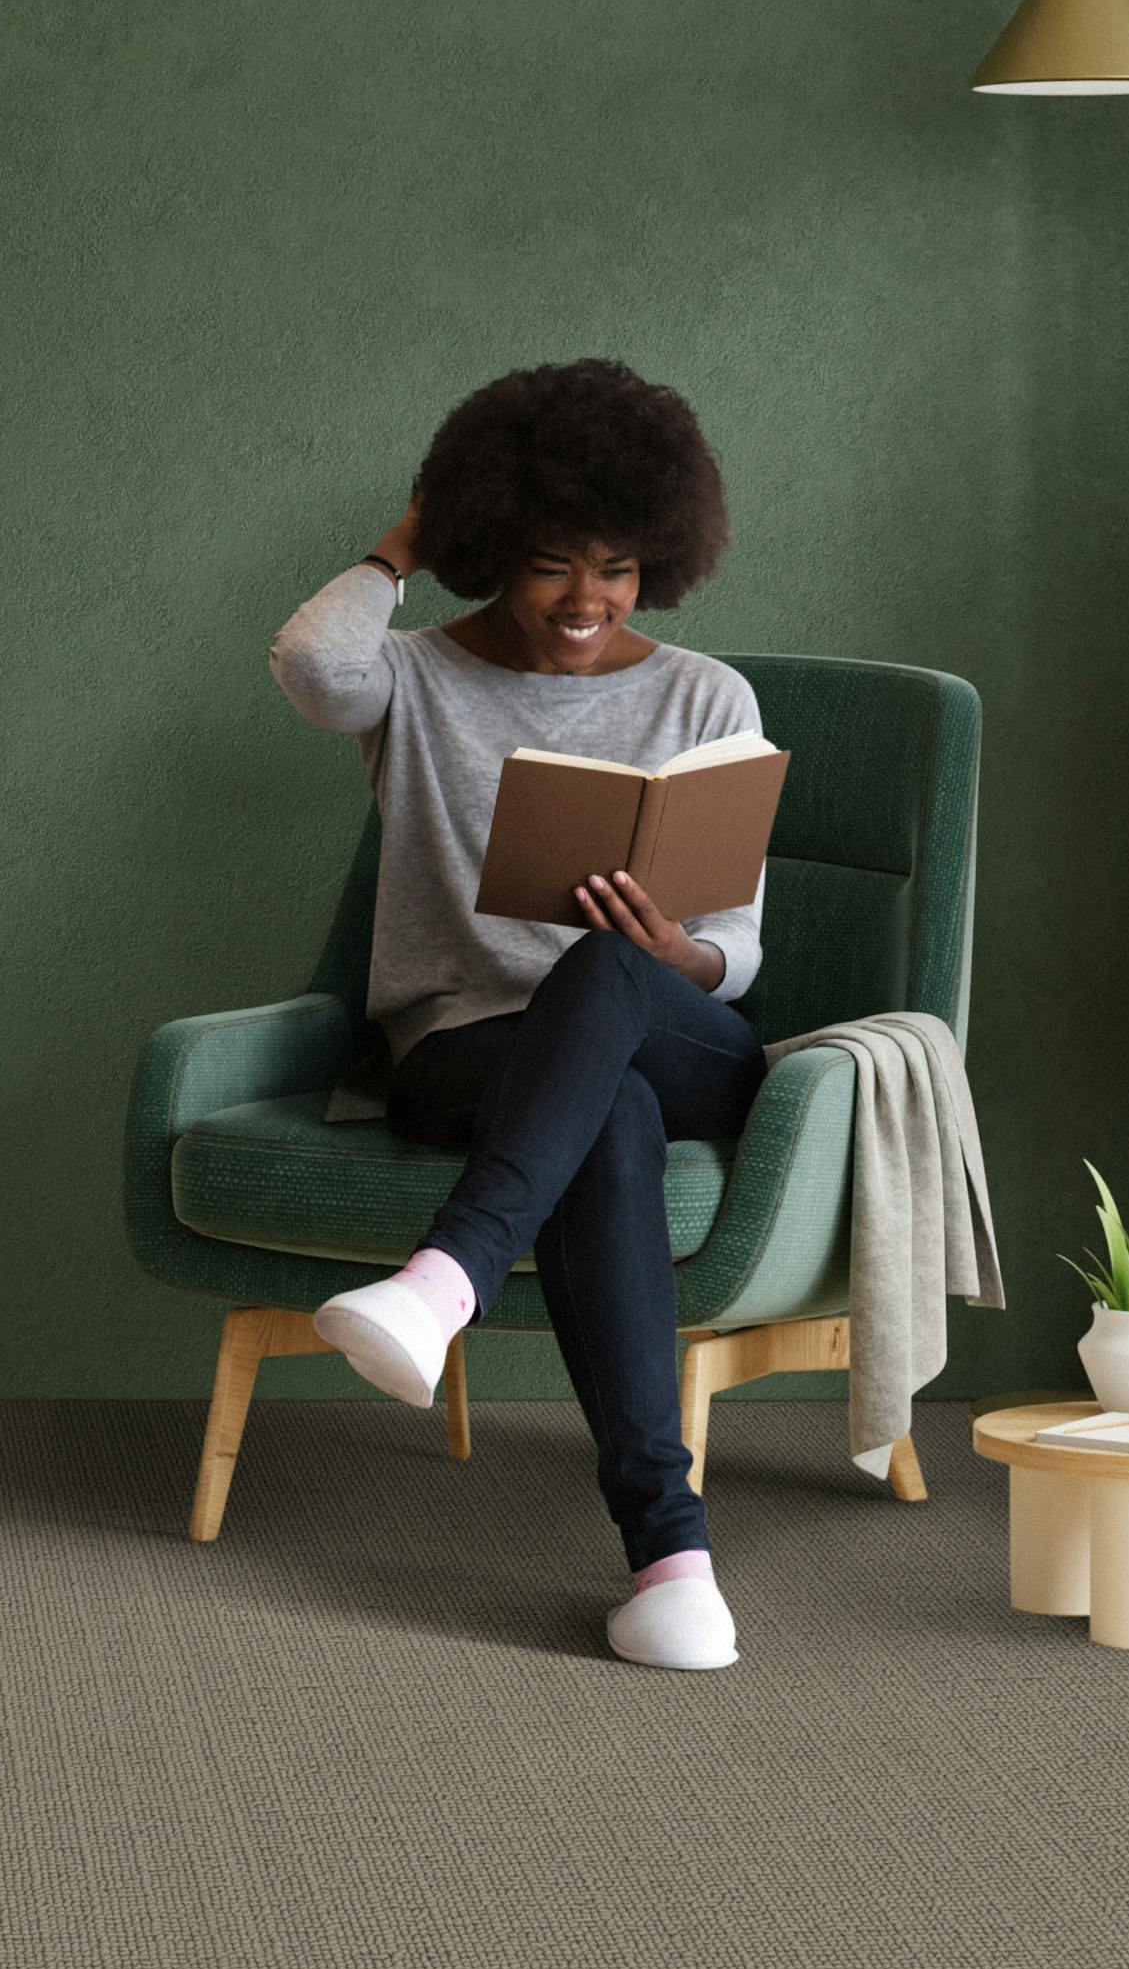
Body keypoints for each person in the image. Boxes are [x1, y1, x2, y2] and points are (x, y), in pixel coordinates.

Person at [268, 359, 767, 1670]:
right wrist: (406, 540)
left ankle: (445, 1281)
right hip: (464, 1047)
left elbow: (741, 950)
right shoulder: (416, 681)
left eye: (616, 566)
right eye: (552, 562)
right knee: (610, 1114)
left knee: (606, 980)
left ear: (660, 555)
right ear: (491, 545)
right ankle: (673, 1563)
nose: (588, 600)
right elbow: (314, 664)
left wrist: (678, 955)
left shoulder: (707, 697)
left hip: (674, 1022)